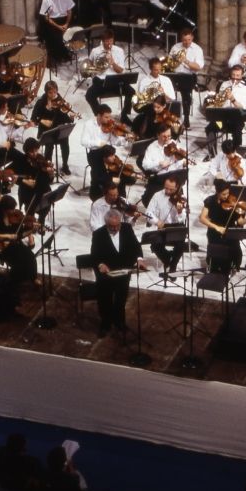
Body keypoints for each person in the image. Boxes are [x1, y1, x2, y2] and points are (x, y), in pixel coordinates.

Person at [90, 208, 145, 338]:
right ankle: (106, 324)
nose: (115, 229)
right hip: (106, 274)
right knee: (105, 300)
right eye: (111, 226)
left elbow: (136, 246)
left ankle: (119, 322)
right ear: (106, 223)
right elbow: (94, 255)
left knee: (121, 299)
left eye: (117, 226)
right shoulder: (98, 234)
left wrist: (139, 259)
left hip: (123, 272)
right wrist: (100, 264)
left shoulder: (126, 228)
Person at [199, 178, 246, 272]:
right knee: (216, 258)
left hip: (230, 232)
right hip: (214, 232)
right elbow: (202, 218)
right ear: (217, 192)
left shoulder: (231, 202)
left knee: (236, 254)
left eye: (228, 193)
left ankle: (229, 268)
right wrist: (217, 227)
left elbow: (240, 222)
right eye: (223, 194)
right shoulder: (210, 201)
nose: (226, 196)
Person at [145, 175, 187, 275]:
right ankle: (168, 259)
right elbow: (148, 213)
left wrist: (180, 212)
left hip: (176, 226)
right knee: (155, 245)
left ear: (177, 188)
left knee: (181, 245)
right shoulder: (157, 195)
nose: (167, 191)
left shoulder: (182, 198)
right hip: (162, 226)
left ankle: (173, 267)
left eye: (171, 189)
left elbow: (183, 219)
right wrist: (156, 221)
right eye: (166, 188)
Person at [31, 80, 74, 175]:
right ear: (46, 92)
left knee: (65, 144)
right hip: (46, 131)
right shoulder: (41, 102)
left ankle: (65, 165)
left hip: (58, 130)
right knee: (49, 146)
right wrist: (46, 110)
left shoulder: (61, 101)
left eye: (55, 92)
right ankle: (47, 167)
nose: (53, 94)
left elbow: (66, 118)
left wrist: (71, 118)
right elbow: (34, 118)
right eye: (50, 92)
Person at [85, 28, 130, 118]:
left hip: (115, 80)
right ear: (102, 41)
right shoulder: (95, 51)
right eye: (106, 41)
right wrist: (96, 68)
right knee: (89, 95)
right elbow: (89, 66)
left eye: (111, 40)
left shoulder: (119, 51)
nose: (109, 43)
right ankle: (100, 115)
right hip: (101, 81)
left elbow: (121, 70)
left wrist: (112, 63)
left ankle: (125, 115)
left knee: (131, 91)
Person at [205, 64, 246, 148]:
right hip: (222, 121)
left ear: (242, 76)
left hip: (237, 120)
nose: (235, 78)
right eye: (233, 75)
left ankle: (235, 153)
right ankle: (212, 153)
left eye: (237, 76)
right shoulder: (224, 84)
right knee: (210, 128)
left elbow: (243, 109)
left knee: (238, 132)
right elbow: (219, 101)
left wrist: (233, 99)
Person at [142, 123, 187, 205]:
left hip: (173, 179)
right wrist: (159, 163)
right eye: (164, 136)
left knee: (178, 201)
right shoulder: (152, 147)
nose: (167, 139)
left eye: (169, 136)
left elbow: (178, 163)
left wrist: (181, 162)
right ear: (158, 135)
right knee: (147, 200)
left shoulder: (173, 143)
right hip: (159, 179)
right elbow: (145, 165)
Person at [168, 28, 204, 128]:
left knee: (185, 92)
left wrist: (186, 61)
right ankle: (166, 117)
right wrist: (175, 62)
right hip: (175, 75)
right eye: (184, 40)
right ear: (181, 39)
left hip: (189, 76)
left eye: (189, 40)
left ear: (192, 38)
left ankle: (186, 118)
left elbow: (198, 67)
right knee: (164, 87)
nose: (187, 42)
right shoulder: (176, 47)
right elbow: (169, 63)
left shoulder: (197, 49)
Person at [10, 137, 54, 219]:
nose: (34, 153)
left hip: (42, 189)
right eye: (31, 151)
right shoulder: (21, 160)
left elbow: (48, 180)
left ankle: (41, 220)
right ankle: (30, 221)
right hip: (28, 191)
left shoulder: (40, 158)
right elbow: (10, 175)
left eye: (36, 150)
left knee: (47, 202)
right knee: (31, 209)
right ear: (26, 151)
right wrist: (24, 181)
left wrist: (51, 174)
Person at [38, 0, 75, 64]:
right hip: (53, 22)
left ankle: (66, 53)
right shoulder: (46, 0)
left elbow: (69, 11)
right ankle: (60, 56)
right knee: (56, 37)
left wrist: (66, 24)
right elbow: (46, 18)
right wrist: (58, 26)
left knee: (74, 32)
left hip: (65, 20)